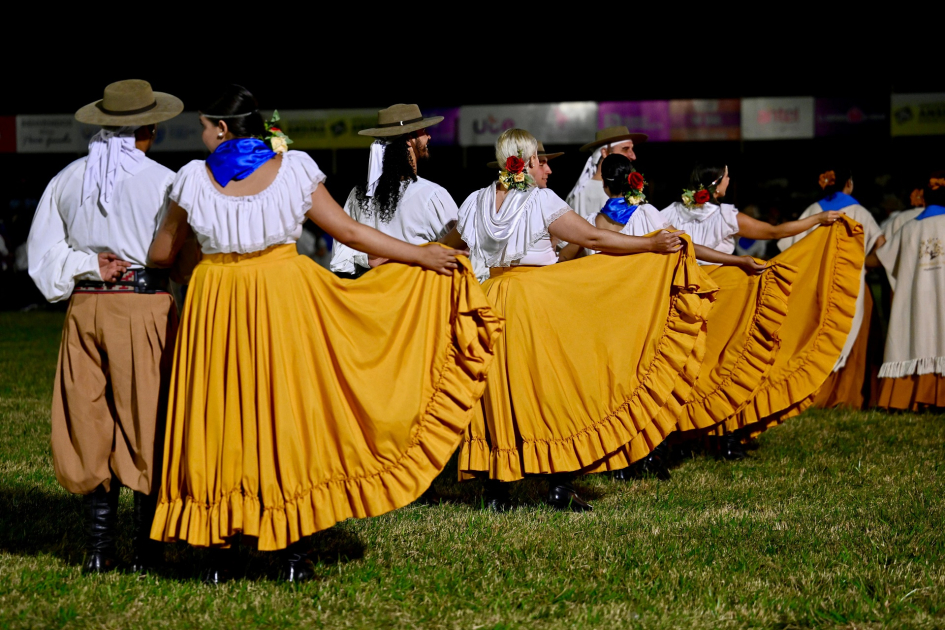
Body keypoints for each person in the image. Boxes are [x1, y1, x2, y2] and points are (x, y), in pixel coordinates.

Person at [147, 86, 501, 582]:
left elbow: (162, 255)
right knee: (287, 413)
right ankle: (291, 552)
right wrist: (420, 255)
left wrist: (201, 252)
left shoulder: (191, 180)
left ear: (222, 129)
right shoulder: (293, 169)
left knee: (220, 414)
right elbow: (349, 233)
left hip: (217, 303)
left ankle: (218, 553)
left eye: (205, 127)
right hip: (281, 295)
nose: (202, 135)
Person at [452, 129, 716, 511]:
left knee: (497, 393)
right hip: (534, 301)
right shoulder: (539, 199)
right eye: (540, 160)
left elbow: (449, 245)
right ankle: (558, 484)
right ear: (525, 161)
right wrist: (650, 244)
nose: (547, 169)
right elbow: (598, 238)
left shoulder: (475, 200)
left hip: (489, 300)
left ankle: (497, 490)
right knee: (555, 390)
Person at [26, 80, 184, 574]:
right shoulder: (165, 181)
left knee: (91, 423)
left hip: (85, 308)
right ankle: (146, 550)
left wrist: (91, 264)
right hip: (144, 306)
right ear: (150, 127)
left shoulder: (68, 178)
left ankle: (99, 551)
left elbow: (42, 257)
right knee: (148, 423)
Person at [586, 154, 787, 476]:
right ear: (634, 181)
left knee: (618, 381)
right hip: (644, 305)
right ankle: (650, 454)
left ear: (606, 186)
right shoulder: (647, 213)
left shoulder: (595, 221)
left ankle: (618, 457)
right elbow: (685, 246)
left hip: (609, 307)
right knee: (655, 377)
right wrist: (738, 262)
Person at [663, 163, 864, 449]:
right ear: (718, 183)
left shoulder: (669, 212)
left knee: (686, 366)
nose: (729, 181)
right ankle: (725, 434)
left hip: (681, 298)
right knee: (728, 366)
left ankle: (677, 432)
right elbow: (774, 232)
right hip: (725, 298)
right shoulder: (725, 215)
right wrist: (818, 219)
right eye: (728, 177)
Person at [778, 168, 884, 409]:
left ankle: (811, 393)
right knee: (854, 338)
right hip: (852, 285)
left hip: (817, 286)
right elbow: (881, 246)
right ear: (849, 183)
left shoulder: (812, 211)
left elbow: (788, 247)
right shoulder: (860, 211)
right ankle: (848, 395)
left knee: (818, 337)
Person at [330, 104, 459, 278]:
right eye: (423, 132)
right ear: (409, 139)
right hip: (415, 299)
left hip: (372, 297)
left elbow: (339, 260)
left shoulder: (358, 194)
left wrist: (369, 259)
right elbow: (460, 251)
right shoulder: (432, 195)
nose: (428, 136)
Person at [876, 173, 945, 410]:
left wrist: (877, 242)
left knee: (918, 336)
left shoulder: (908, 228)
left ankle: (913, 394)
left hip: (919, 296)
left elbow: (885, 258)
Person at [566, 126, 645, 220]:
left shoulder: (579, 191)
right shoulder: (583, 192)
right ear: (604, 152)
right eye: (625, 149)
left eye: (632, 149)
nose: (633, 156)